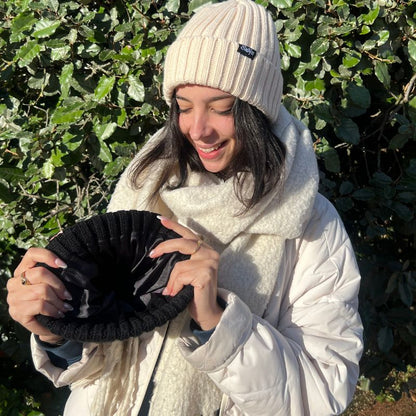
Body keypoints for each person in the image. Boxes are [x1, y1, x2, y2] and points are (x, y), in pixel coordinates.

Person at [6, 0, 363, 415]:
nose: (198, 128)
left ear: (257, 109)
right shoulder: (143, 188)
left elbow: (321, 394)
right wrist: (55, 328)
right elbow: (95, 363)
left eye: (222, 107)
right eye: (183, 105)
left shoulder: (310, 226)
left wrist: (216, 323)